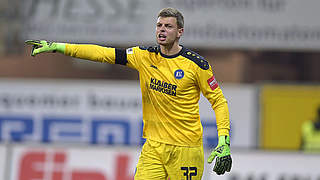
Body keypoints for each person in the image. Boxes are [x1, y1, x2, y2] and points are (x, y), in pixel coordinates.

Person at [25, 7, 232, 180]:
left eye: (168, 26)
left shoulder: (197, 65)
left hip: (186, 149)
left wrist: (224, 140)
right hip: (153, 147)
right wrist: (58, 47)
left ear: (180, 32)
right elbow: (102, 54)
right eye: (159, 25)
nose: (162, 30)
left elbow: (219, 102)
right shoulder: (144, 56)